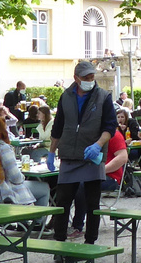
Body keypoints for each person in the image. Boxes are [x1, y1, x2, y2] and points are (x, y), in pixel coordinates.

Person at [48, 61, 115, 246]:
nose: (90, 80)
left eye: (92, 76)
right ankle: (59, 243)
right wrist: (52, 152)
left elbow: (110, 126)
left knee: (92, 204)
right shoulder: (66, 96)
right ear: (76, 78)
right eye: (86, 77)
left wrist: (98, 144)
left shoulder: (103, 96)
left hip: (92, 156)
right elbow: (58, 126)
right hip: (69, 155)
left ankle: (90, 243)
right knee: (62, 203)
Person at [0, 116, 44, 205]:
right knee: (44, 188)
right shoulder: (3, 148)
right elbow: (16, 178)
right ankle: (36, 217)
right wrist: (23, 177)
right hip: (3, 195)